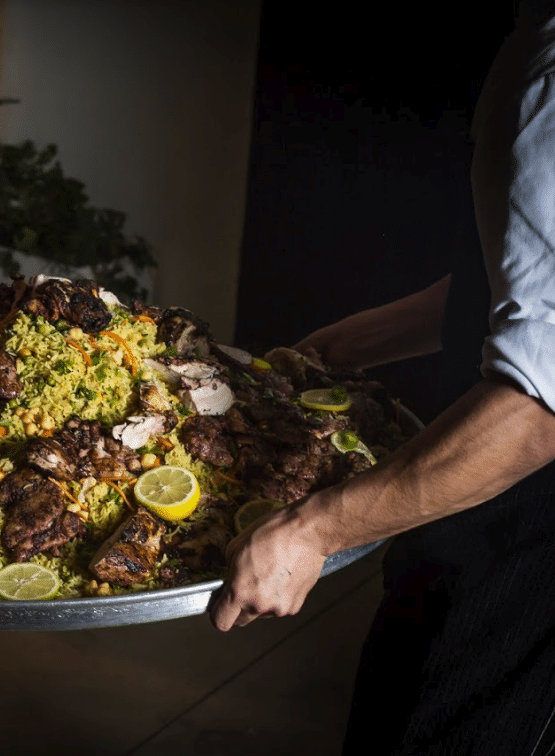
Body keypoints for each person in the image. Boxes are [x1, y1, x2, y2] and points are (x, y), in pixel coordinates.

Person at [209, 2, 555, 753]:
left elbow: (538, 409)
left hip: (529, 529)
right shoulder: (532, 38)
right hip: (472, 495)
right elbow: (508, 286)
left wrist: (312, 531)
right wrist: (336, 350)